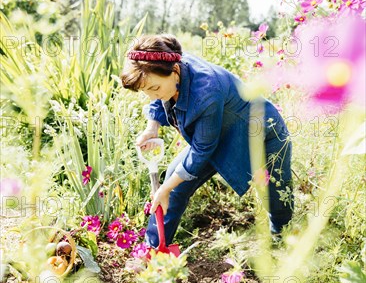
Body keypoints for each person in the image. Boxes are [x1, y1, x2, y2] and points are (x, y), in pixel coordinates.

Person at [121, 33, 294, 248]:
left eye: (154, 88)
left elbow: (202, 150)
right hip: (213, 133)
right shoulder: (168, 64)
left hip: (262, 134)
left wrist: (163, 188)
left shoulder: (206, 90)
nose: (151, 96)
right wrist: (151, 127)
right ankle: (152, 248)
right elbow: (160, 98)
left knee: (276, 197)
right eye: (145, 91)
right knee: (174, 188)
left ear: (175, 71)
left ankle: (282, 241)